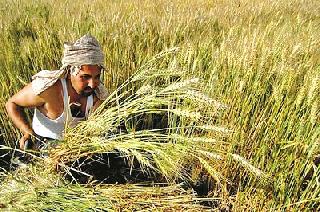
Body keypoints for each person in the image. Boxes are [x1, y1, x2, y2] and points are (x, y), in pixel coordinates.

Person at [6, 34, 108, 151]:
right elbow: (12, 103)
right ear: (70, 72)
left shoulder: (98, 97)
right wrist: (27, 133)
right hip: (43, 147)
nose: (92, 84)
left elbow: (93, 132)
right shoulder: (49, 89)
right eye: (85, 77)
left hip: (76, 150)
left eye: (97, 77)